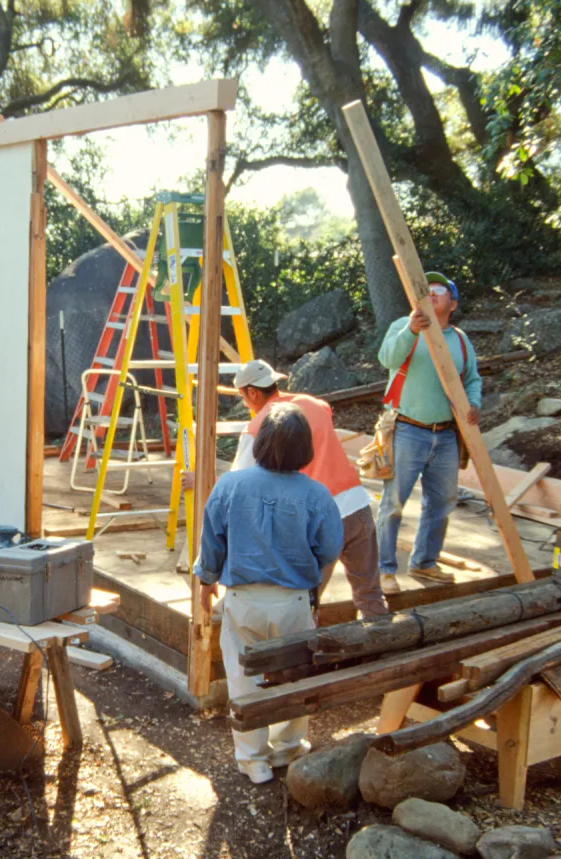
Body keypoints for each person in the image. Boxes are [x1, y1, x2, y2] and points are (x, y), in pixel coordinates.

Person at [193, 405, 343, 784]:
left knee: (245, 682)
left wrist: (206, 583)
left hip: (243, 600)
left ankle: (253, 760)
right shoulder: (317, 494)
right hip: (294, 602)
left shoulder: (230, 485)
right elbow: (328, 551)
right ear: (304, 448)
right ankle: (288, 749)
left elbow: (211, 544)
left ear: (260, 443)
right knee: (294, 677)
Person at [182, 359, 387, 618]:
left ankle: (299, 653)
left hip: (318, 517)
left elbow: (238, 487)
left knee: (303, 604)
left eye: (243, 397)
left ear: (252, 392)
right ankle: (381, 643)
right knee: (370, 595)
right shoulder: (315, 405)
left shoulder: (260, 427)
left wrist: (203, 482)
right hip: (358, 507)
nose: (245, 404)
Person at [375, 271, 481, 593]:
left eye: (439, 289)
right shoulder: (403, 326)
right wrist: (410, 329)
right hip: (408, 429)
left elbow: (473, 379)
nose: (432, 293)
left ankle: (424, 563)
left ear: (453, 303)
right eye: (427, 289)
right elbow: (387, 358)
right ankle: (384, 570)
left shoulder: (461, 340)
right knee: (393, 503)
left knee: (442, 503)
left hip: (447, 435)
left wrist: (473, 403)